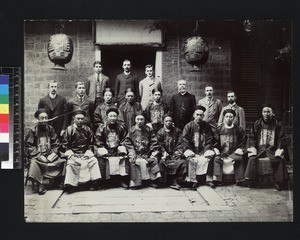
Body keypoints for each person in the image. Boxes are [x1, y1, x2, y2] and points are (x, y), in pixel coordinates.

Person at [242, 105, 289, 191]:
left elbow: (281, 139)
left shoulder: (277, 125)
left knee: (278, 160)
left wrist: (279, 149)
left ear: (272, 113)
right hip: (260, 149)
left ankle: (280, 182)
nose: (266, 114)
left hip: (272, 149)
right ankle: (251, 180)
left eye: (268, 112)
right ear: (262, 113)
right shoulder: (257, 124)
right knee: (252, 158)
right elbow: (252, 137)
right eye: (264, 112)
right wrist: (253, 147)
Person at [25, 108, 65, 195]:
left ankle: (57, 181)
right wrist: (39, 155)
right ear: (38, 119)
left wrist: (53, 154)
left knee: (62, 161)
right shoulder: (32, 131)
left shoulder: (51, 129)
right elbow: (29, 146)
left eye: (46, 118)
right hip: (37, 156)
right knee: (34, 163)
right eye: (42, 118)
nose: (44, 120)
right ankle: (39, 184)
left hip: (49, 155)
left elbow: (56, 144)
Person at [61, 109, 101, 193]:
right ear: (74, 119)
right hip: (74, 154)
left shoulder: (87, 129)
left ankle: (92, 182)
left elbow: (92, 143)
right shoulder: (69, 130)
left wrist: (88, 152)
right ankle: (71, 185)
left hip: (85, 153)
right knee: (71, 163)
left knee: (93, 161)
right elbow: (65, 144)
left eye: (82, 119)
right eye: (78, 119)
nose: (80, 121)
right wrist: (71, 153)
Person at [182, 105, 216, 190]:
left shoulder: (207, 126)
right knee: (191, 158)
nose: (199, 117)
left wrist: (205, 151)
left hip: (204, 150)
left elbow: (210, 139)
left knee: (209, 157)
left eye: (201, 115)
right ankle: (193, 181)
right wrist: (190, 150)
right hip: (193, 150)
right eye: (197, 114)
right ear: (194, 115)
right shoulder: (188, 126)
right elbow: (185, 140)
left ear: (203, 116)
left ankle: (209, 180)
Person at [94, 108, 129, 189]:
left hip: (117, 150)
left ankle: (122, 180)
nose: (113, 118)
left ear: (117, 117)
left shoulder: (121, 127)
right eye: (111, 116)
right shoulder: (101, 127)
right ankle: (104, 182)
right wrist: (103, 148)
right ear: (107, 117)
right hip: (106, 149)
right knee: (103, 158)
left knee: (123, 158)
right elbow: (98, 140)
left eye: (114, 116)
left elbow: (125, 138)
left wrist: (121, 146)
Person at [124, 114, 162, 189]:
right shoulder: (131, 130)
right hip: (135, 152)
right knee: (133, 161)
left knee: (153, 159)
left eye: (141, 119)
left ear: (144, 120)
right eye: (138, 119)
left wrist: (151, 152)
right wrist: (132, 152)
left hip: (147, 152)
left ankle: (151, 181)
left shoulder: (149, 129)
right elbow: (127, 142)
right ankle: (136, 183)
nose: (139, 121)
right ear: (135, 120)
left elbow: (153, 141)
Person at [213, 109, 247, 186]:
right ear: (224, 117)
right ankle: (217, 179)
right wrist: (216, 149)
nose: (228, 118)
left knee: (239, 159)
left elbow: (243, 141)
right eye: (227, 116)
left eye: (231, 117)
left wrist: (240, 149)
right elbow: (215, 141)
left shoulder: (238, 129)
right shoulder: (219, 129)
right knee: (216, 159)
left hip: (233, 153)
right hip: (222, 153)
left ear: (234, 118)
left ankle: (239, 179)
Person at [157, 115, 187, 190]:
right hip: (165, 154)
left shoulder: (178, 131)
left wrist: (178, 152)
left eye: (170, 121)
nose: (168, 122)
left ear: (172, 122)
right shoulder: (160, 132)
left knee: (182, 163)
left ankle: (176, 181)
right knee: (161, 163)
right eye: (166, 121)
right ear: (164, 122)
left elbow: (180, 142)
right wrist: (164, 152)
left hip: (175, 153)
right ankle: (164, 181)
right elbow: (159, 144)